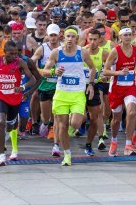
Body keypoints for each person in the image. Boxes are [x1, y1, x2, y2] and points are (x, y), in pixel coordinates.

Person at [42, 26, 96, 166]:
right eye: (68, 36)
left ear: (77, 39)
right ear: (63, 38)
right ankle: (67, 154)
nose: (70, 39)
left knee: (75, 123)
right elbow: (45, 71)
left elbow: (93, 68)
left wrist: (91, 84)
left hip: (77, 93)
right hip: (61, 94)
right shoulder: (56, 53)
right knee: (62, 125)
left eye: (73, 36)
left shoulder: (82, 52)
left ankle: (69, 140)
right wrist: (54, 71)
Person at [0, 41, 35, 166]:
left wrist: (23, 87)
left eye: (15, 53)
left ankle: (8, 132)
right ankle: (1, 155)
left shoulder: (19, 62)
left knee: (10, 126)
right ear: (4, 52)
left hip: (15, 98)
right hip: (1, 97)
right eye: (10, 54)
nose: (13, 56)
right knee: (1, 122)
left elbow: (33, 79)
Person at [104, 27, 136, 157]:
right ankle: (114, 141)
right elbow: (106, 71)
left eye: (130, 35)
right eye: (125, 35)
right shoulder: (115, 51)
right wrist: (118, 72)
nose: (128, 37)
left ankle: (128, 145)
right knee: (116, 119)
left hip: (130, 87)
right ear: (120, 37)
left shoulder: (135, 49)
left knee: (131, 112)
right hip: (116, 88)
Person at [32, 24, 62, 156]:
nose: (53, 38)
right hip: (44, 86)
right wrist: (40, 71)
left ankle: (53, 131)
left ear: (59, 35)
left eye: (55, 35)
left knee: (56, 113)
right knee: (45, 115)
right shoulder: (42, 48)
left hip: (59, 86)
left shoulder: (63, 48)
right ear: (47, 36)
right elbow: (31, 62)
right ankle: (45, 123)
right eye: (51, 35)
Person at [83, 29, 108, 155]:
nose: (92, 42)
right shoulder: (82, 51)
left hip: (96, 85)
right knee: (80, 118)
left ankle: (93, 142)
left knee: (96, 116)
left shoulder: (104, 53)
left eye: (95, 39)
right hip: (81, 86)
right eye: (90, 39)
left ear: (100, 40)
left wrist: (105, 76)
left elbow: (109, 70)